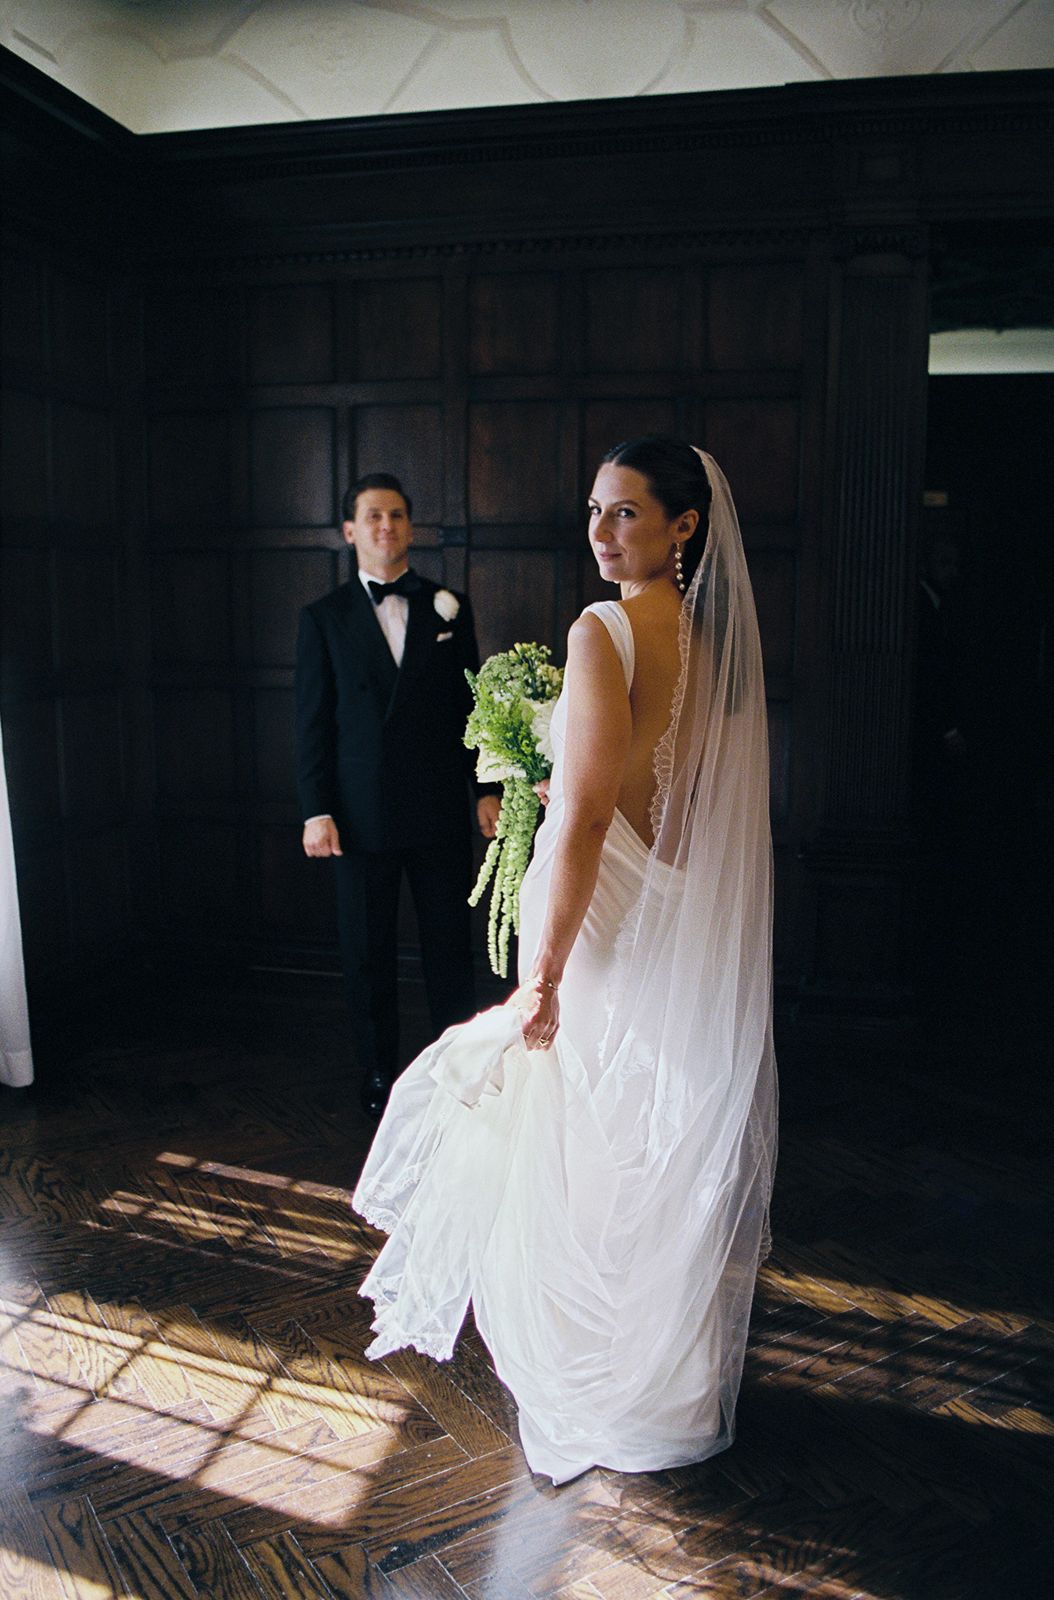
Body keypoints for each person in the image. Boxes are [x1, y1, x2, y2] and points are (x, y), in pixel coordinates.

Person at [353, 439, 777, 1482]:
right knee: (647, 1128)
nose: (600, 532)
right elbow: (677, 799)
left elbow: (587, 817)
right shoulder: (714, 644)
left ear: (683, 526)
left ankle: (596, 1376)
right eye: (594, 509)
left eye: (625, 512)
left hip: (603, 919)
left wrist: (539, 974)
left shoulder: (602, 630)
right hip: (671, 907)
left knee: (586, 1137)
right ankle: (664, 1383)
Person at [296, 473, 500, 1120]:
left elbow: (473, 708)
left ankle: (456, 1070)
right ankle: (379, 1071)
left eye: (397, 516)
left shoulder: (450, 607)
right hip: (359, 816)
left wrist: (486, 788)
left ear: (411, 527)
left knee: (449, 948)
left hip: (437, 806)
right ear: (350, 531)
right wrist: (316, 809)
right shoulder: (322, 618)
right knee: (367, 953)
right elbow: (312, 723)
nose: (386, 526)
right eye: (373, 516)